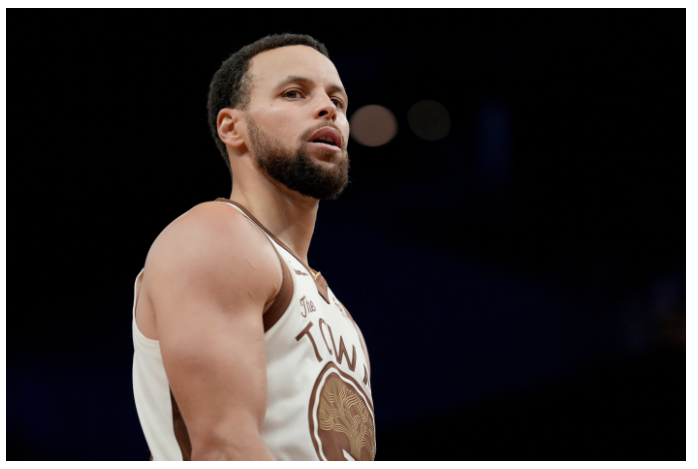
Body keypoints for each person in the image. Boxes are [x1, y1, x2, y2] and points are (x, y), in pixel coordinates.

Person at [131, 34, 375, 461]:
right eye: (294, 93)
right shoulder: (215, 235)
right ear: (232, 128)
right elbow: (225, 450)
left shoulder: (335, 308)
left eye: (337, 100)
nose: (328, 109)